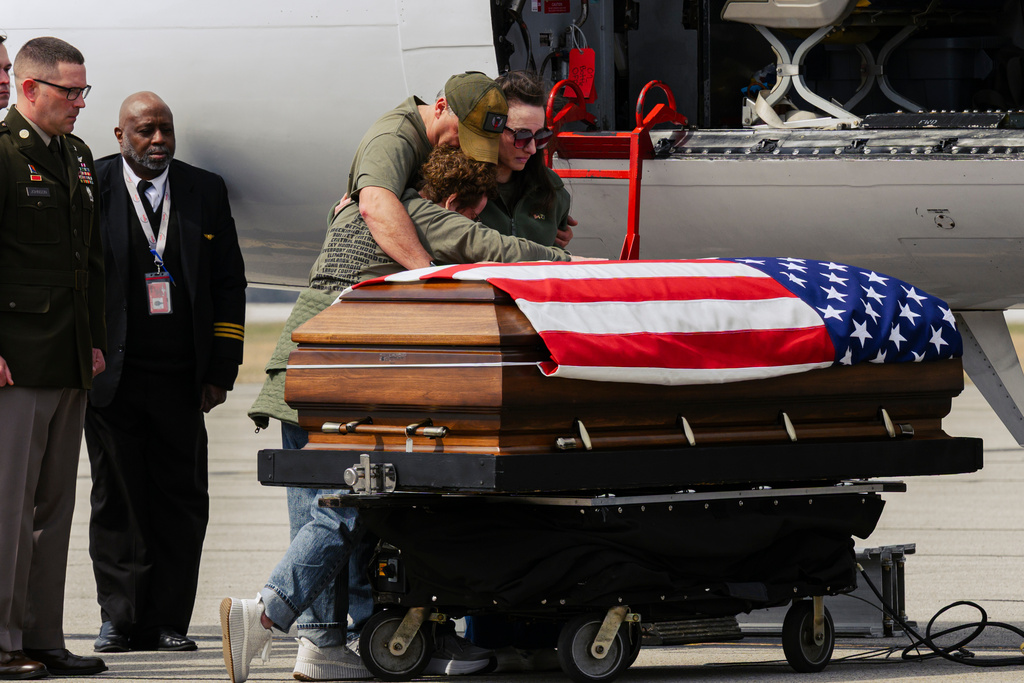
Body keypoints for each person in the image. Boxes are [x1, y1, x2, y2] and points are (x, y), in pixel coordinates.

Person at [225, 145, 579, 683]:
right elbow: (490, 249)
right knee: (344, 510)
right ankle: (274, 615)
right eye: (473, 211)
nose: (474, 222)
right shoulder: (423, 218)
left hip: (304, 374)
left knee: (337, 512)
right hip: (332, 380)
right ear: (454, 201)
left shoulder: (350, 207)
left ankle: (340, 641)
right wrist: (567, 260)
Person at [84, 91, 247, 653]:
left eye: (166, 130)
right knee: (118, 500)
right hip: (113, 377)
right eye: (145, 131)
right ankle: (120, 618)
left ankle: (167, 620)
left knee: (181, 501)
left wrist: (221, 368)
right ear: (120, 135)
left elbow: (229, 283)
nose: (158, 142)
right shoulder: (92, 187)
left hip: (182, 378)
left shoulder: (204, 190)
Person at [0, 36, 108, 678]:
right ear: (30, 89)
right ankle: (2, 640)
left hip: (68, 353)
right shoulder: (2, 154)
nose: (80, 103)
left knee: (52, 505)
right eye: (71, 92)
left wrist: (92, 339)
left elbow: (90, 260)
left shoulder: (77, 156)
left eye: (84, 90)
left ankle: (41, 634)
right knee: (8, 505)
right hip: (16, 358)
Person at [479, 70, 572, 248]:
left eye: (540, 137)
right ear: (493, 128)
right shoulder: (458, 189)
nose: (531, 149)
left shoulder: (552, 190)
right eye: (521, 136)